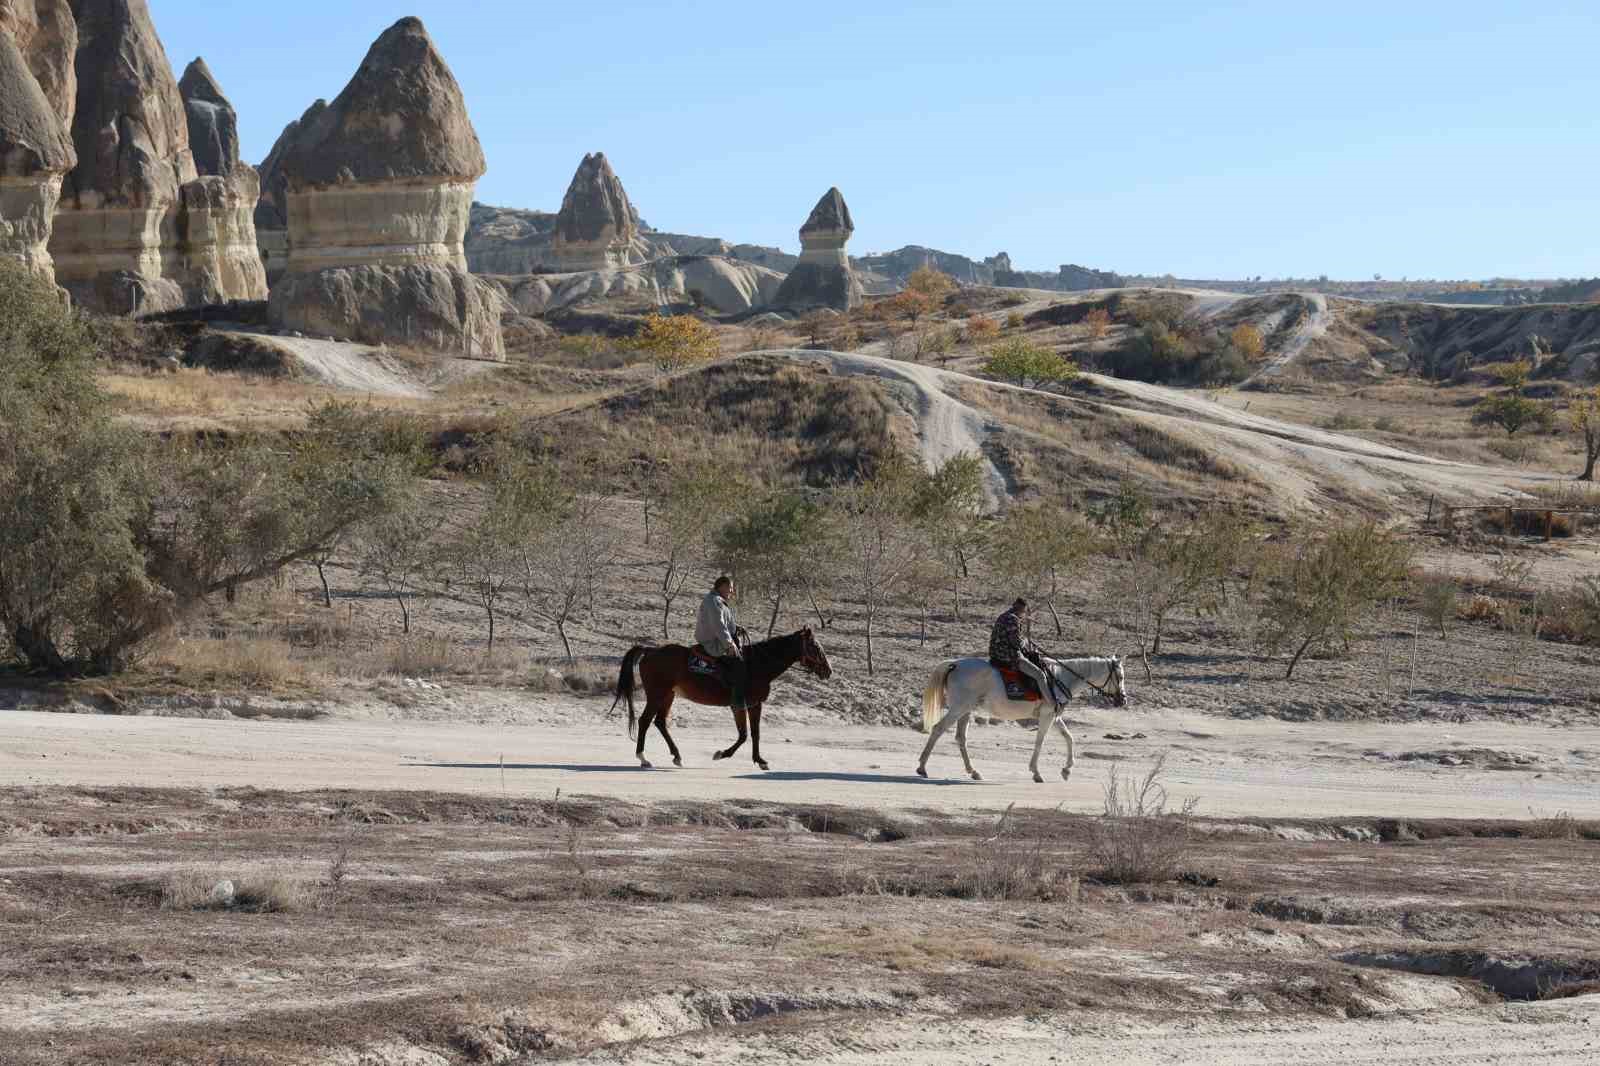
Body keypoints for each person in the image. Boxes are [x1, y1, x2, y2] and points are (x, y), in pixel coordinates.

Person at [989, 598, 1059, 707]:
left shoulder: (1003, 616)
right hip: (1007, 655)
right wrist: (1025, 641)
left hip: (995, 653)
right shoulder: (1013, 619)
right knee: (1040, 675)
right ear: (1021, 608)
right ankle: (1052, 704)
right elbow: (1016, 643)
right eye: (1024, 611)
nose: (1024, 613)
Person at [696, 576, 748, 711]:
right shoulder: (713, 601)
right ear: (722, 587)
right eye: (730, 588)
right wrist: (730, 645)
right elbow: (718, 626)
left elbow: (723, 622)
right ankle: (736, 702)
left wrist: (736, 627)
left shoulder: (717, 601)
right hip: (713, 643)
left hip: (719, 639)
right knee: (739, 664)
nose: (732, 591)